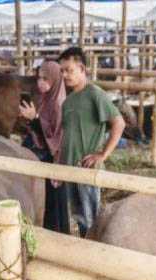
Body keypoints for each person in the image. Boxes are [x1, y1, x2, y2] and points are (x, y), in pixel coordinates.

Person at [57, 46, 125, 237]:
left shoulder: (95, 93)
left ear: (82, 69)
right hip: (71, 168)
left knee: (91, 217)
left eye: (69, 70)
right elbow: (67, 135)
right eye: (62, 71)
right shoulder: (68, 102)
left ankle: (94, 255)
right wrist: (60, 164)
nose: (65, 75)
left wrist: (103, 154)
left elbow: (118, 122)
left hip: (87, 167)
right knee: (79, 216)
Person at [18, 61, 70, 234]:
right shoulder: (46, 99)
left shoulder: (58, 104)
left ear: (55, 79)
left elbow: (55, 138)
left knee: (53, 205)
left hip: (54, 160)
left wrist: (35, 119)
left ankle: (57, 240)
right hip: (46, 157)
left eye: (45, 79)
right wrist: (33, 119)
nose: (40, 82)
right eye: (39, 78)